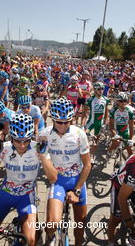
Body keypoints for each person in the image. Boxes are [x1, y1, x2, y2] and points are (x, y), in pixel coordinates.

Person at [0, 114, 57, 246]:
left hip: (26, 196)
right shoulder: (5, 148)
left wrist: (43, 156)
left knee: (30, 241)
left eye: (26, 141)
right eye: (17, 141)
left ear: (31, 137)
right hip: (5, 193)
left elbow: (53, 178)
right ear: (11, 137)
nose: (22, 145)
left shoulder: (38, 148)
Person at [39, 98, 91, 246]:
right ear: (53, 119)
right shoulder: (44, 134)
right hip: (58, 181)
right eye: (59, 122)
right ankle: (50, 237)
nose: (62, 126)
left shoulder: (79, 134)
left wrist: (77, 190)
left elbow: (87, 165)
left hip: (77, 181)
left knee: (80, 226)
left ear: (72, 119)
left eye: (66, 122)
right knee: (51, 225)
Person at [83, 82, 110, 158]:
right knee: (83, 138)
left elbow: (106, 112)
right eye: (99, 89)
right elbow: (84, 114)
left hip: (100, 124)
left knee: (96, 142)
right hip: (90, 123)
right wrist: (83, 124)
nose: (101, 90)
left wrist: (105, 122)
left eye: (102, 89)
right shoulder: (90, 100)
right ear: (94, 90)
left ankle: (91, 156)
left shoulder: (106, 99)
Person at [108, 92, 135, 157]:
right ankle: (110, 150)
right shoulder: (113, 111)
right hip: (115, 130)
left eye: (125, 101)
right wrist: (115, 135)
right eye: (121, 101)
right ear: (117, 102)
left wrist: (130, 139)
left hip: (125, 131)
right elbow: (111, 126)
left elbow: (131, 127)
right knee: (116, 142)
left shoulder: (129, 112)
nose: (123, 103)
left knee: (130, 151)